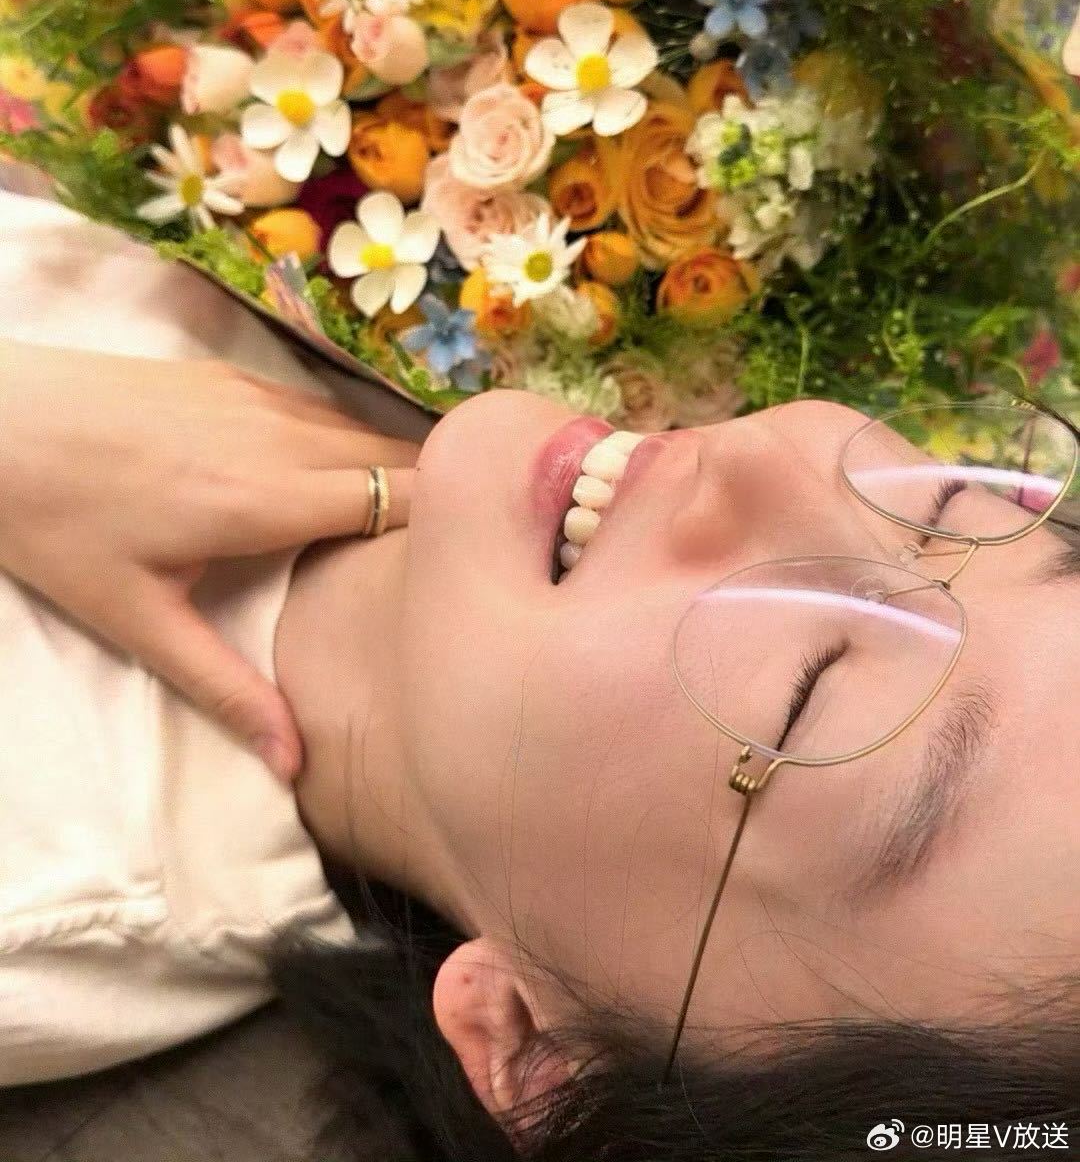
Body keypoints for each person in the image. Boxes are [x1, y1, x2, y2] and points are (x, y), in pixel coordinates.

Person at [1, 186, 1078, 1159]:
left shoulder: (44, 880)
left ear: (538, 1055)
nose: (773, 455)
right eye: (960, 510)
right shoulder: (522, 289)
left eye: (810, 690)